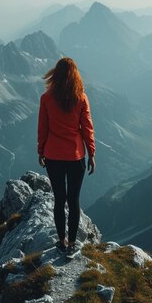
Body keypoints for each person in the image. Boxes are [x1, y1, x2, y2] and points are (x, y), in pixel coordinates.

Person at [37, 57, 95, 257]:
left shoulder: (46, 98)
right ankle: (72, 244)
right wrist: (92, 154)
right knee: (74, 200)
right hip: (76, 156)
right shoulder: (81, 98)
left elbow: (42, 127)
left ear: (56, 74)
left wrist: (40, 150)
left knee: (59, 200)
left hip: (53, 155)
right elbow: (87, 129)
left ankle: (60, 242)